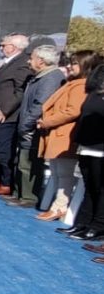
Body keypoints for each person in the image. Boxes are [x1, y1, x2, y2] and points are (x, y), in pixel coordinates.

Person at [37, 51, 101, 222]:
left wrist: (47, 121)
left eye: (74, 63)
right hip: (59, 133)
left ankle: (59, 207)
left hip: (66, 135)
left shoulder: (81, 86)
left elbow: (72, 110)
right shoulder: (72, 83)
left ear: (85, 66)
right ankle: (57, 205)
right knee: (57, 171)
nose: (69, 66)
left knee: (64, 173)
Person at [4, 45, 64, 209]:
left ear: (42, 61)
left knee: (28, 162)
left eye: (32, 58)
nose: (29, 61)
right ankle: (19, 193)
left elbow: (40, 105)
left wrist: (26, 124)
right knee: (22, 161)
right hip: (28, 126)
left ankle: (28, 197)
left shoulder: (51, 78)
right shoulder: (39, 77)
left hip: (34, 128)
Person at [0, 34, 32, 197]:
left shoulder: (22, 63)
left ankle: (7, 182)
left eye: (3, 45)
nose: (1, 48)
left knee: (4, 150)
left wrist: (5, 110)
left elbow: (20, 91)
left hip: (6, 116)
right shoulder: (6, 63)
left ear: (14, 47)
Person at [65, 65, 104, 241]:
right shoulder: (94, 94)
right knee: (90, 187)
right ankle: (84, 221)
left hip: (100, 147)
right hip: (87, 144)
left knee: (100, 188)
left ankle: (98, 225)